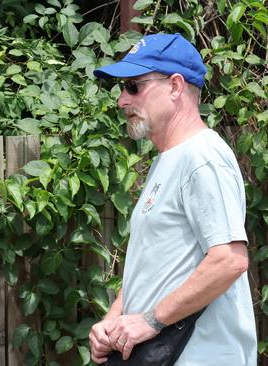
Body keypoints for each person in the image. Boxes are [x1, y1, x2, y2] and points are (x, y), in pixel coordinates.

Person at [88, 33, 257, 365]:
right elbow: (153, 267)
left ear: (176, 86)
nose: (122, 100)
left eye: (133, 86)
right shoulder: (168, 161)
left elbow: (229, 260)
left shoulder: (202, 157)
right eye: (121, 88)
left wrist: (149, 321)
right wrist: (113, 319)